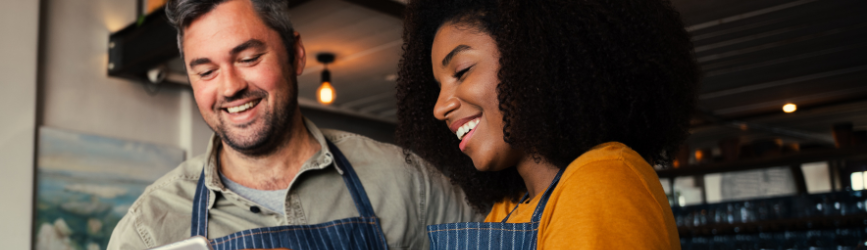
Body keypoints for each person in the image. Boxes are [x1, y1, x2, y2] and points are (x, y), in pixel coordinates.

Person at [107, 0, 479, 249]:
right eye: (205, 71)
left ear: (295, 53)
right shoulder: (150, 227)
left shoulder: (406, 182)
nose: (231, 86)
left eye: (249, 58)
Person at [394, 0, 699, 249]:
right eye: (438, 87)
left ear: (533, 57)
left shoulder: (600, 181)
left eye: (461, 71)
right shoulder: (511, 208)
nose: (439, 107)